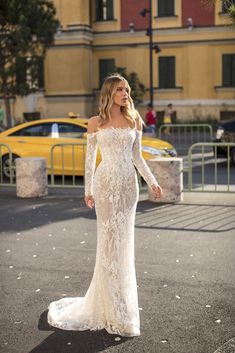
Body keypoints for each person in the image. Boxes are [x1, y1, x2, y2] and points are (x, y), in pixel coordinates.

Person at [47, 74, 162, 337]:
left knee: (124, 245)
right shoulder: (95, 122)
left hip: (128, 188)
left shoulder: (135, 120)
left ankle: (122, 305)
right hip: (105, 185)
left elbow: (137, 157)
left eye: (127, 89)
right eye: (120, 89)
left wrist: (152, 182)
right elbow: (90, 159)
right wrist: (88, 189)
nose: (125, 93)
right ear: (109, 92)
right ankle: (107, 305)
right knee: (108, 243)